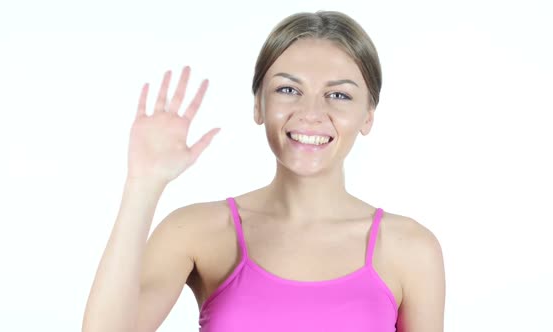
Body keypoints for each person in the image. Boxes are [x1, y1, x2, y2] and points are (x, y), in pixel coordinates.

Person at [82, 10, 445, 332]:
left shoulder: (410, 249)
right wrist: (143, 185)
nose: (311, 113)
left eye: (339, 95)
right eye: (288, 89)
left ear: (368, 116)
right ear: (258, 105)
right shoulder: (195, 232)